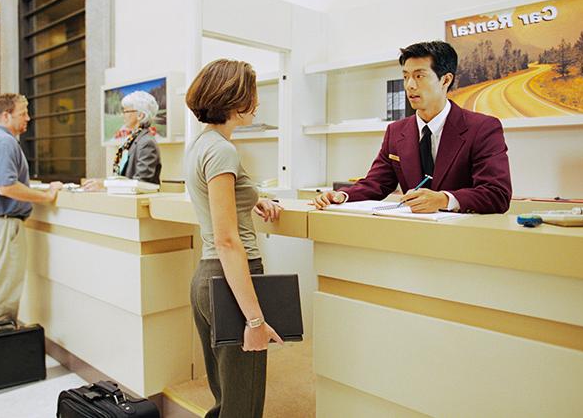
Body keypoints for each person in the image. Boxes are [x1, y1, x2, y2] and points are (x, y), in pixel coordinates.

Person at [185, 59, 285, 418]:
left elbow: (221, 201)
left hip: (206, 278)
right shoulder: (223, 151)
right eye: (252, 94)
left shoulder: (203, 144)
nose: (257, 103)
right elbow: (228, 241)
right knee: (242, 403)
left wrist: (254, 199)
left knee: (225, 398)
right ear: (235, 98)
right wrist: (255, 322)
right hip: (230, 279)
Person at [312, 41, 512, 214]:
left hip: (465, 239)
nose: (409, 85)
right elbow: (377, 183)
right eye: (406, 76)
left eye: (419, 76)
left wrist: (444, 199)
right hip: (411, 236)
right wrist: (342, 195)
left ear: (446, 80)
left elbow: (497, 194)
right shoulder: (396, 131)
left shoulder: (483, 128)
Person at [0, 93, 62, 332]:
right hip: (4, 226)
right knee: (3, 296)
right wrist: (46, 196)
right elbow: (7, 186)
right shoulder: (4, 143)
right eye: (23, 113)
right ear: (5, 115)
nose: (28, 118)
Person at [83, 91, 162, 190]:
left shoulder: (147, 143)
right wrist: (103, 183)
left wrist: (104, 185)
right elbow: (122, 177)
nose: (122, 115)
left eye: (126, 111)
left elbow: (141, 183)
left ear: (140, 115)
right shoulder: (131, 139)